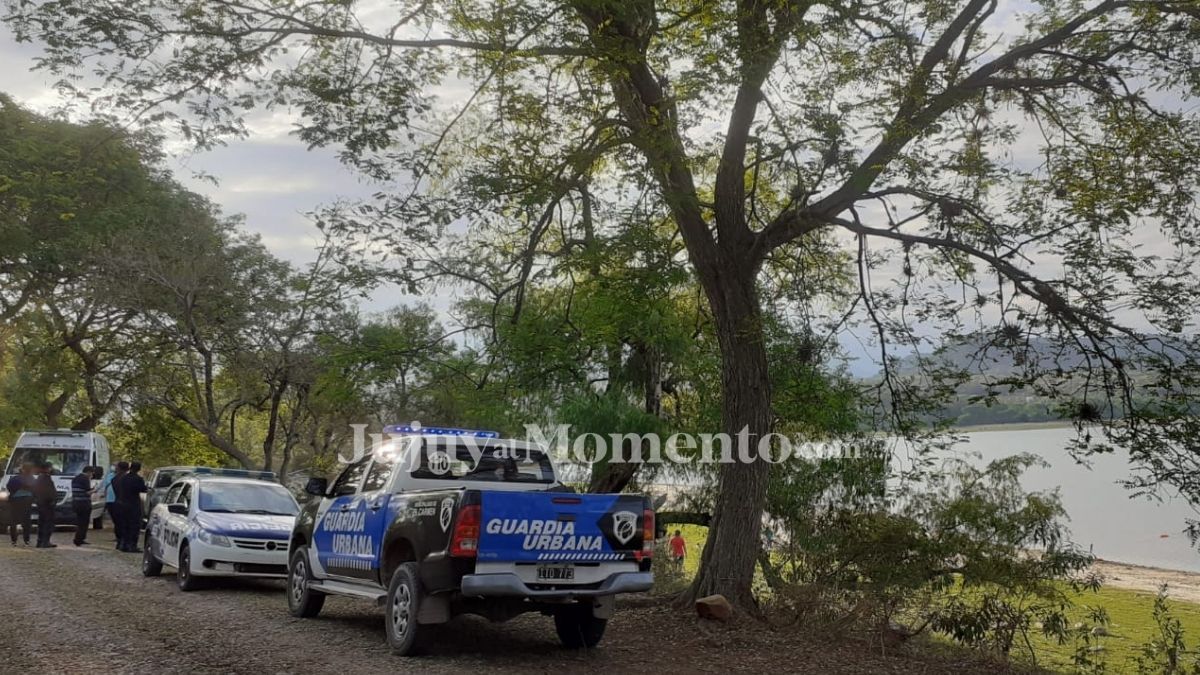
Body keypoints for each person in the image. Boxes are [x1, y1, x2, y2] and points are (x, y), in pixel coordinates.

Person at [113, 461, 147, 552]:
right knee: (134, 525)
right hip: (133, 504)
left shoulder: (122, 478)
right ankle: (132, 545)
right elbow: (143, 489)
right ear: (139, 469)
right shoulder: (138, 479)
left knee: (124, 525)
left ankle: (123, 544)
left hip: (122, 503)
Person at [6, 463, 35, 546]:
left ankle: (14, 540)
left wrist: (14, 493)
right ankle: (27, 540)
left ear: (22, 469)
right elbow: (36, 489)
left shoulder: (15, 478)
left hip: (15, 500)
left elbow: (9, 486)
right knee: (26, 521)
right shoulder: (32, 478)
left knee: (13, 520)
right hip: (27, 500)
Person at [32, 461, 58, 548]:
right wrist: (52, 500)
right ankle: (45, 541)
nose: (51, 469)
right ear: (47, 468)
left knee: (42, 522)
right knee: (47, 523)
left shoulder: (40, 478)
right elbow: (48, 491)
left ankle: (40, 541)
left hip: (42, 503)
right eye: (50, 467)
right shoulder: (45, 478)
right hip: (47, 504)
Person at [105, 462, 128, 550]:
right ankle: (122, 541)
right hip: (119, 502)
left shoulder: (115, 479)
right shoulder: (123, 478)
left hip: (115, 501)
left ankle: (120, 541)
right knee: (121, 523)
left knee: (118, 523)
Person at [71, 465, 94, 546]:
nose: (92, 475)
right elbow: (87, 492)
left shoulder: (75, 478)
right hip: (84, 503)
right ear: (88, 472)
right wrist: (94, 490)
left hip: (76, 502)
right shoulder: (85, 479)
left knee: (79, 521)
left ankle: (79, 538)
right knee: (84, 522)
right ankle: (79, 539)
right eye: (92, 473)